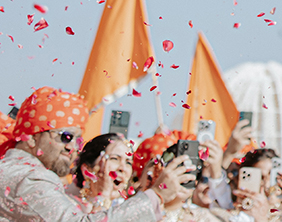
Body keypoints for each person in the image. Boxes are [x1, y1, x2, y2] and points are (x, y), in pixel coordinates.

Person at [0, 86, 192, 222]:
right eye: (66, 136)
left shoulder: (16, 171)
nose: (72, 147)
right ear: (30, 137)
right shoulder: (28, 177)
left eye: (77, 140)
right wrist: (156, 195)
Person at [70, 132, 133, 212]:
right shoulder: (67, 206)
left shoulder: (128, 212)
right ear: (87, 170)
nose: (123, 168)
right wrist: (103, 196)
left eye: (128, 162)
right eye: (114, 159)